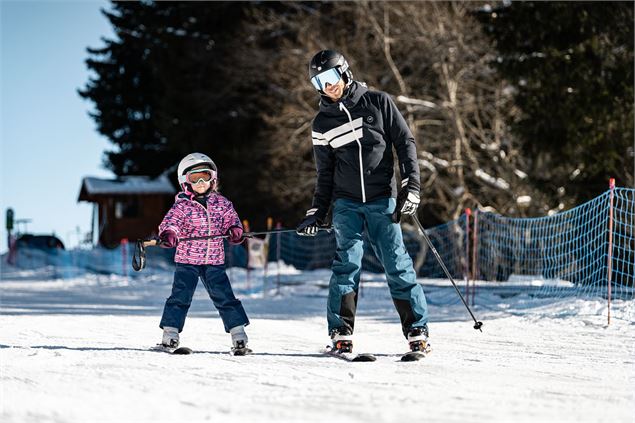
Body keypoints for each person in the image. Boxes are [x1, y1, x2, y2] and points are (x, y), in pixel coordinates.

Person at [297, 50, 430, 355]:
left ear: (344, 73)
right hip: (347, 204)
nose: (327, 86)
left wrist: (412, 186)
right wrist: (317, 211)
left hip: (383, 199)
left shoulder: (378, 102)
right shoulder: (321, 124)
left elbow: (405, 143)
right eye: (320, 81)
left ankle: (416, 330)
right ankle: (340, 331)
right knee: (347, 264)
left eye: (331, 77)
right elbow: (325, 174)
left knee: (397, 264)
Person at [157, 152, 251, 354]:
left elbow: (231, 220)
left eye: (205, 177)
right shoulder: (181, 206)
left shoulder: (222, 203)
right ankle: (170, 333)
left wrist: (235, 231)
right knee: (180, 297)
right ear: (185, 182)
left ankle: (238, 334)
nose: (200, 182)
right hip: (187, 261)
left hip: (214, 260)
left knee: (225, 296)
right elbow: (171, 223)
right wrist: (169, 234)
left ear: (213, 179)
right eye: (194, 178)